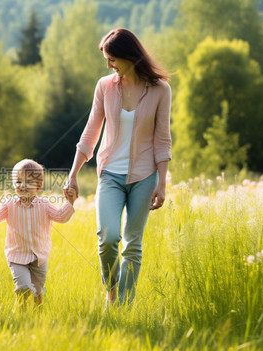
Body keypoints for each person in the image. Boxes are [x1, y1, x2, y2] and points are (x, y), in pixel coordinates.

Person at [64, 28, 172, 306]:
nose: (109, 65)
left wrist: (162, 182)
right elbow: (91, 132)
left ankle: (122, 305)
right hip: (110, 173)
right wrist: (73, 174)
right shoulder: (105, 86)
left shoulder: (160, 90)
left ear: (129, 56)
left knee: (132, 244)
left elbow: (162, 139)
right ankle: (111, 287)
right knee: (108, 237)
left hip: (145, 177)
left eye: (112, 59)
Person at [0, 159, 77, 308]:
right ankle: (21, 311)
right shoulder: (9, 205)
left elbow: (61, 217)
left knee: (37, 292)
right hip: (17, 256)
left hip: (39, 257)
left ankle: (37, 315)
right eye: (18, 181)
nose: (22, 185)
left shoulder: (45, 205)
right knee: (23, 288)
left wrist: (71, 202)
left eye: (29, 182)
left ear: (39, 186)